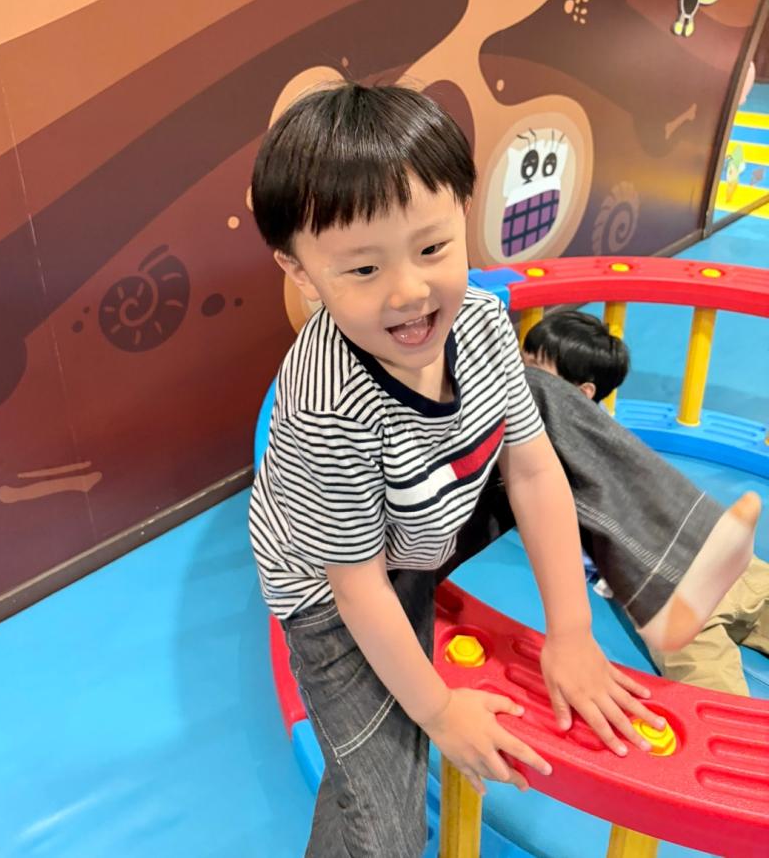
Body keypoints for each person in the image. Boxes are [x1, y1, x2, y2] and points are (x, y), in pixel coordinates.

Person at [247, 83, 746, 857]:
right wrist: (439, 711)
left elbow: (537, 473)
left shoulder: (478, 319)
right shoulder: (326, 405)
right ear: (302, 271)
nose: (409, 291)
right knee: (382, 811)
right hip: (338, 591)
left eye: (432, 249)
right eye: (363, 269)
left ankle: (675, 569)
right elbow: (358, 586)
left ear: (463, 215)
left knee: (542, 402)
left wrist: (571, 631)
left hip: (431, 511)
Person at [521, 310, 766, 696]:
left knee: (713, 688)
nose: (520, 379)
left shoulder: (563, 445)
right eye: (521, 363)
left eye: (535, 371)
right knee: (717, 691)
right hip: (691, 585)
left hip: (679, 582)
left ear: (580, 395)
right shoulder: (592, 431)